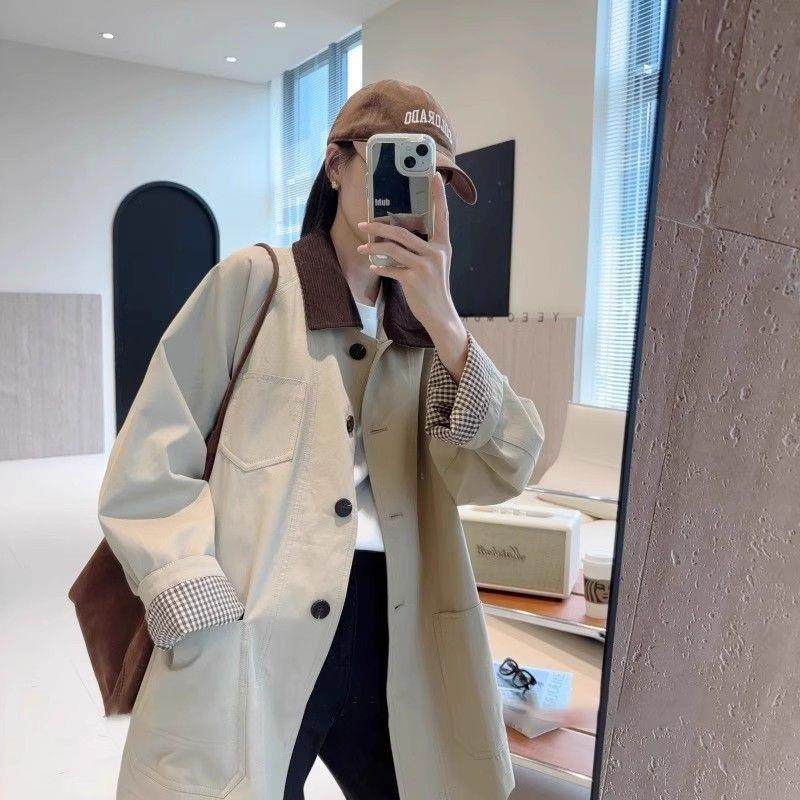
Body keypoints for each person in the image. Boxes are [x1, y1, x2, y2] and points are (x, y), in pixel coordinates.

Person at [98, 78, 544, 800]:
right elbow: (154, 446)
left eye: (433, 178)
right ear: (336, 166)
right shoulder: (256, 284)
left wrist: (447, 322)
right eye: (399, 164)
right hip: (257, 618)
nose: (414, 193)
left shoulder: (428, 334)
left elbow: (501, 470)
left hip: (398, 623)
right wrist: (182, 577)